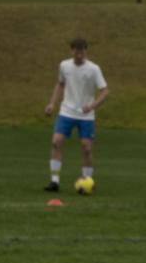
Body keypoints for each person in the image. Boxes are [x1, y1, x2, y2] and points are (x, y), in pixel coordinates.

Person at [43, 38, 109, 191]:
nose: (79, 55)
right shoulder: (64, 65)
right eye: (76, 51)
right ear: (71, 51)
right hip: (66, 112)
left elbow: (105, 91)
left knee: (86, 148)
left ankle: (87, 181)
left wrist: (92, 106)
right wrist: (52, 103)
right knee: (56, 142)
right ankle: (54, 181)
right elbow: (60, 84)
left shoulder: (94, 69)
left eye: (82, 52)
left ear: (86, 51)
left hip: (86, 116)